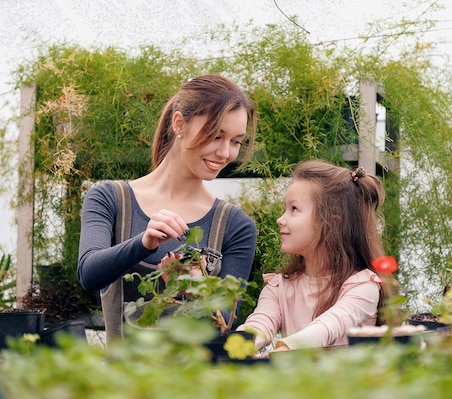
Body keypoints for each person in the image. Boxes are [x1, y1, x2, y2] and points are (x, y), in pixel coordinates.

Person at [77, 74, 258, 341]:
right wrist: (143, 242)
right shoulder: (110, 198)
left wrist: (197, 284)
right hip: (122, 381)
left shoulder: (235, 225)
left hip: (199, 381)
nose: (225, 153)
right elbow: (89, 274)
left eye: (236, 141)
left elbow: (225, 321)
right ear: (179, 123)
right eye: (216, 135)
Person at [237, 160, 386, 352]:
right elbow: (259, 324)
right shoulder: (279, 287)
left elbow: (326, 329)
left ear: (332, 222)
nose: (280, 219)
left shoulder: (362, 286)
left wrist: (282, 351)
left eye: (294, 209)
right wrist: (239, 345)